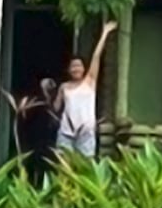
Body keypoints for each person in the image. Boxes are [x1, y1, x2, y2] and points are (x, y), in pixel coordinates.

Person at [50, 20, 117, 157]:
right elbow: (56, 108)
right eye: (73, 66)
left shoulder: (90, 81)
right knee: (64, 169)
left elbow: (96, 56)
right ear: (68, 70)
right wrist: (48, 91)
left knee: (84, 168)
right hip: (66, 132)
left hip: (86, 133)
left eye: (79, 66)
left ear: (84, 68)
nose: (76, 69)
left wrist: (104, 33)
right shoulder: (64, 87)